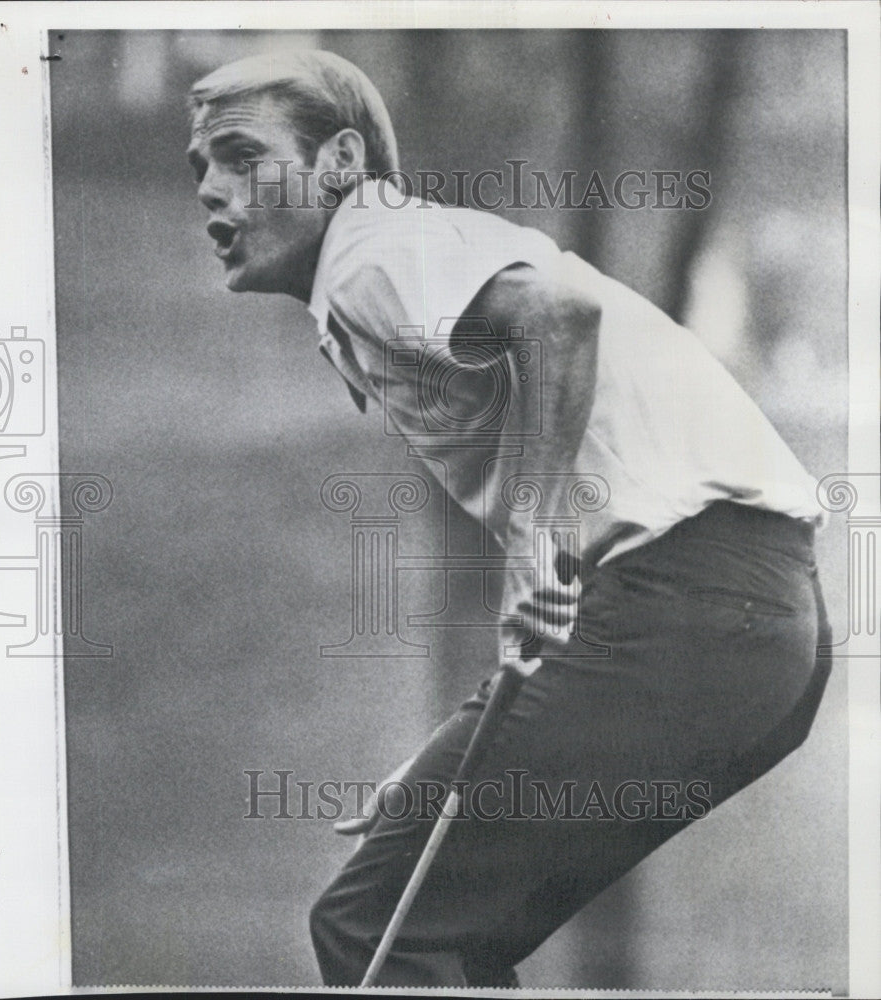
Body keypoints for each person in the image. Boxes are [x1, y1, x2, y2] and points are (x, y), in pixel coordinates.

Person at [187, 49, 832, 987]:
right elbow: (584, 570)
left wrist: (530, 543)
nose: (211, 190)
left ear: (338, 164)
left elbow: (558, 314)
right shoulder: (401, 262)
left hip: (691, 609)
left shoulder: (368, 248)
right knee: (426, 927)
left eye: (242, 157)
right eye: (199, 168)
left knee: (378, 930)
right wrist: (450, 753)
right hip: (757, 628)